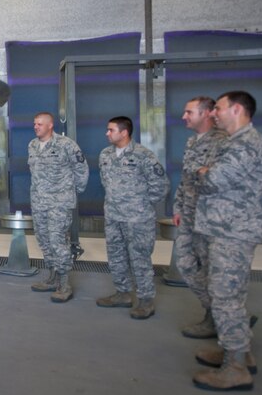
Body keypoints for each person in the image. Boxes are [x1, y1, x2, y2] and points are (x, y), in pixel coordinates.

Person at [191, 91, 262, 392]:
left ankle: (235, 368)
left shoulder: (246, 145)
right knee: (232, 296)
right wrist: (208, 172)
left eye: (219, 109)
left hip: (232, 232)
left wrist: (204, 172)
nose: (214, 114)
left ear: (237, 109)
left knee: (225, 298)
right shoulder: (234, 143)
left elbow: (213, 180)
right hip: (226, 229)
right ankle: (239, 352)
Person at [96, 116, 169, 319]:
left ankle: (146, 300)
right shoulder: (105, 155)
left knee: (139, 258)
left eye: (111, 130)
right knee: (116, 256)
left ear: (124, 132)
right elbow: (106, 182)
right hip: (113, 216)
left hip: (138, 218)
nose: (107, 133)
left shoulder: (143, 155)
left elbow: (161, 186)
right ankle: (123, 293)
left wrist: (140, 204)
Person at [171, 97, 228, 338]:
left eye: (189, 112)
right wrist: (178, 206)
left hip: (212, 218)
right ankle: (218, 313)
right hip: (189, 214)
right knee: (185, 264)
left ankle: (221, 319)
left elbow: (220, 181)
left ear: (206, 114)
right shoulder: (193, 141)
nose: (184, 116)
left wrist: (206, 173)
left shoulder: (223, 142)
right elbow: (186, 178)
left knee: (212, 271)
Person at [27, 112, 89, 303]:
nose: (36, 127)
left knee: (57, 241)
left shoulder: (66, 145)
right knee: (44, 240)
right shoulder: (32, 145)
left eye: (39, 124)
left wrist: (71, 193)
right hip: (39, 202)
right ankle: (52, 278)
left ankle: (64, 283)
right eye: (34, 124)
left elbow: (81, 169)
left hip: (59, 204)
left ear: (50, 125)